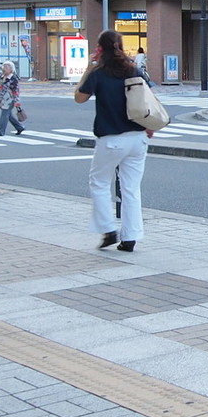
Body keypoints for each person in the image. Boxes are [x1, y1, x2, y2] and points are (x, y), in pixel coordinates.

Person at [75, 29, 151, 252]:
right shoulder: (134, 69)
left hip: (111, 139)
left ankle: (108, 229)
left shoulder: (99, 73)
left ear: (100, 48)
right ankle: (130, 237)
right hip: (138, 137)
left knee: (99, 183)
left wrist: (90, 66)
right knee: (131, 188)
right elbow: (149, 97)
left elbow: (79, 97)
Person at [0, 60, 25, 136]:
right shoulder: (3, 77)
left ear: (11, 69)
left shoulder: (13, 78)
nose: (4, 68)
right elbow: (0, 86)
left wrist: (16, 101)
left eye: (6, 67)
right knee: (8, 115)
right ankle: (19, 127)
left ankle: (1, 131)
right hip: (2, 99)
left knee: (4, 114)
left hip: (10, 99)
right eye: (3, 67)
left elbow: (16, 90)